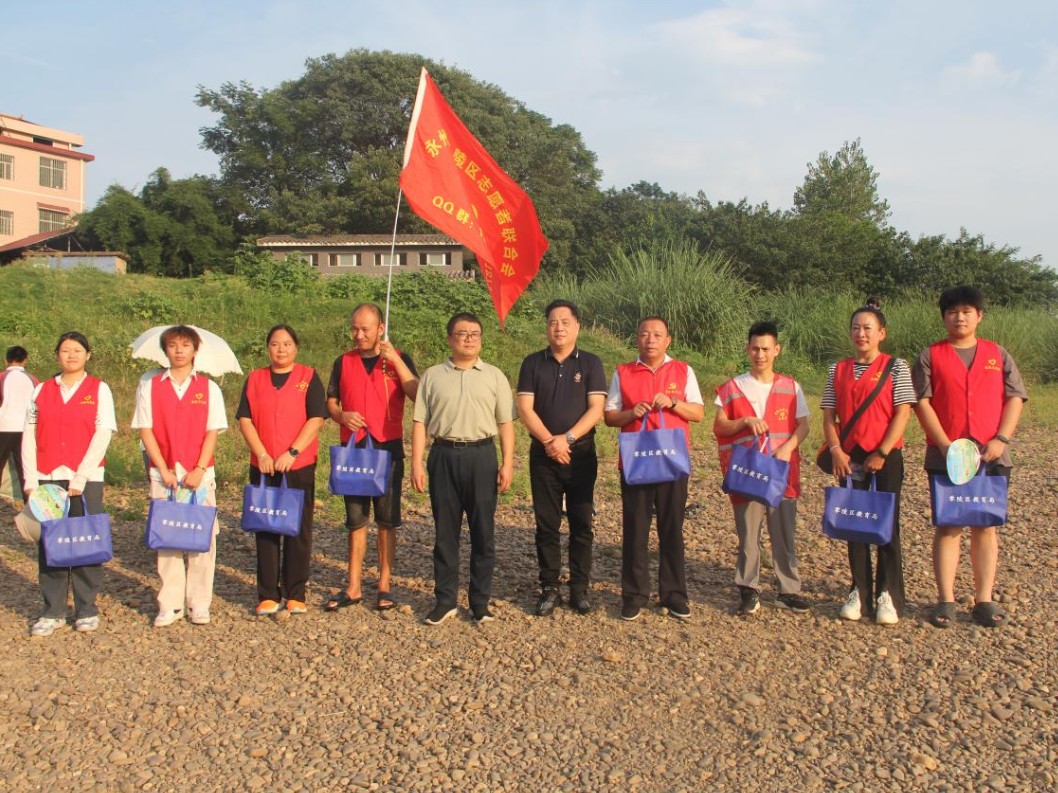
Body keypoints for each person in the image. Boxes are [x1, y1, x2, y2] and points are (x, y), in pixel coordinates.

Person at [911, 286, 1027, 628]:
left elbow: (1015, 397)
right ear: (943, 317)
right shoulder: (930, 355)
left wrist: (1001, 439)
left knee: (985, 526)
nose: (959, 317)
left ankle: (984, 600)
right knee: (948, 526)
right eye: (952, 312)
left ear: (979, 316)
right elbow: (922, 402)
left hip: (992, 454)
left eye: (966, 311)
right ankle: (946, 600)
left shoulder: (997, 354)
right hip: (946, 455)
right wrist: (944, 444)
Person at [411, 312, 515, 626]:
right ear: (449, 339)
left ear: (481, 339)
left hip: (482, 456)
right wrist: (416, 463)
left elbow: (505, 423)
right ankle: (445, 600)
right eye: (462, 333)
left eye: (474, 334)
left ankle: (480, 602)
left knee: (483, 533)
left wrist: (508, 462)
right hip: (443, 455)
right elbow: (420, 422)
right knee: (445, 533)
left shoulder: (494, 376)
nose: (468, 339)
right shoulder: (433, 375)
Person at [604, 316, 705, 622]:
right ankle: (634, 595)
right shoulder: (623, 372)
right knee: (635, 529)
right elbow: (609, 416)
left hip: (671, 461)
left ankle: (674, 595)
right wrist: (630, 413)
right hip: (636, 461)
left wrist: (673, 403)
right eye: (645, 334)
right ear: (637, 338)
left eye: (657, 335)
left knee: (671, 528)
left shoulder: (683, 370)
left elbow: (698, 413)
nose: (651, 340)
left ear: (667, 340)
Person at [821, 301, 916, 625]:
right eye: (856, 328)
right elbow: (829, 416)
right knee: (854, 523)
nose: (861, 333)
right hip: (849, 458)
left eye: (867, 328)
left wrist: (883, 452)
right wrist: (836, 449)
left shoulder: (897, 367)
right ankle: (859, 591)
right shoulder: (837, 369)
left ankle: (887, 594)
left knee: (887, 524)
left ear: (881, 333)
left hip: (885, 456)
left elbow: (903, 413)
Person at [325, 303, 419, 612]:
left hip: (386, 447)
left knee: (386, 520)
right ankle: (353, 585)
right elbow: (331, 403)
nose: (359, 334)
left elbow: (417, 393)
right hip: (354, 448)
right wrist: (342, 415)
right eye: (354, 328)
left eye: (365, 329)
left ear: (381, 328)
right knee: (355, 520)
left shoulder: (398, 357)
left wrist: (396, 361)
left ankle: (384, 584)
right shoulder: (343, 362)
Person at [713, 321, 811, 616]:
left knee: (784, 532)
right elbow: (719, 426)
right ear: (748, 349)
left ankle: (788, 591)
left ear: (776, 350)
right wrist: (743, 421)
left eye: (766, 349)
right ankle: (749, 589)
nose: (760, 354)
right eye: (755, 348)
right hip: (748, 471)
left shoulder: (791, 387)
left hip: (782, 471)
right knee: (748, 534)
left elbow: (803, 425)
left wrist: (789, 447)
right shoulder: (732, 388)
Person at [22, 332, 117, 636]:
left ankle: (86, 608)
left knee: (85, 540)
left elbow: (103, 433)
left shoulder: (99, 389)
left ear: (88, 355)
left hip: (85, 478)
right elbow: (29, 435)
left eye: (77, 350)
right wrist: (30, 478)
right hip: (48, 476)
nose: (71, 355)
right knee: (50, 542)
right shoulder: (41, 390)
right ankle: (53, 610)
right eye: (65, 350)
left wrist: (81, 476)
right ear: (57, 355)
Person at [133, 325, 227, 628]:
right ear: (165, 350)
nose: (179, 351)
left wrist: (199, 468)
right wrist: (163, 469)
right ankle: (170, 604)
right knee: (168, 536)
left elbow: (213, 432)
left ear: (195, 350)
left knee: (203, 538)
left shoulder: (209, 388)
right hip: (165, 474)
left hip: (200, 475)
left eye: (185, 345)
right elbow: (145, 430)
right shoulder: (150, 385)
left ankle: (199, 603)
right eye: (173, 345)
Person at [516, 300, 607, 616]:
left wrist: (566, 439)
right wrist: (549, 442)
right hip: (543, 454)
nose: (559, 327)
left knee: (582, 522)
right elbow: (524, 408)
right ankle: (549, 587)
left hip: (580, 454)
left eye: (565, 322)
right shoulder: (532, 363)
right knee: (547, 524)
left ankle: (579, 589)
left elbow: (596, 409)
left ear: (577, 326)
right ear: (546, 327)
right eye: (553, 321)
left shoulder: (591, 363)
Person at [237, 325, 327, 616]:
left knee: (298, 529)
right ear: (268, 348)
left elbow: (316, 418)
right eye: (275, 344)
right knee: (265, 526)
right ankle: (267, 594)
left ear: (296, 347)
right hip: (263, 465)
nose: (281, 349)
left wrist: (293, 452)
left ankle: (296, 592)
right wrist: (262, 453)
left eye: (287, 343)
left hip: (297, 465)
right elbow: (245, 419)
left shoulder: (308, 377)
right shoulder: (255, 379)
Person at [1, 346, 39, 498]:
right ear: (25, 361)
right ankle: (30, 506)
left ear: (6, 361)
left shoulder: (2, 377)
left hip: (3, 427)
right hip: (26, 428)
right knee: (25, 470)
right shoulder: (33, 380)